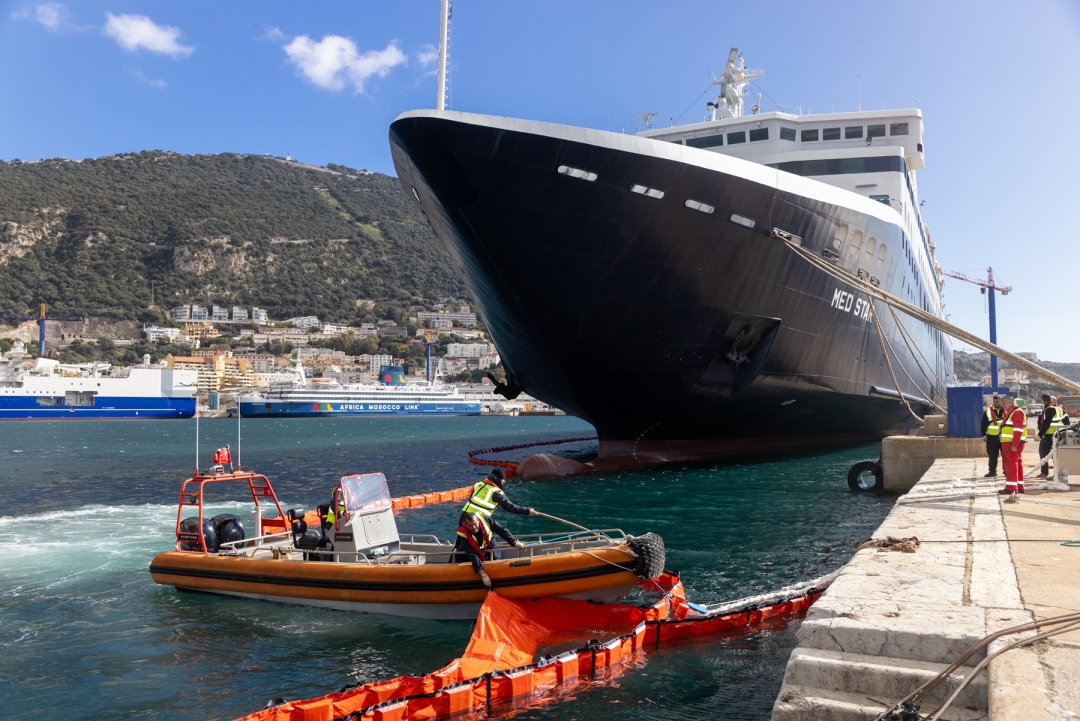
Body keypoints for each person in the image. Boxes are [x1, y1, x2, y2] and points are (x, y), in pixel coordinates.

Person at [459, 468, 537, 550]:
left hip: (464, 516)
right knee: (495, 534)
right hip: (477, 519)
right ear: (499, 480)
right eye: (503, 481)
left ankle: (458, 554)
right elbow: (510, 507)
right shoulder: (496, 492)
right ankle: (505, 550)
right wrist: (528, 511)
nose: (504, 482)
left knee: (463, 538)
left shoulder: (479, 484)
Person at [454, 511, 518, 589]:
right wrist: (483, 575)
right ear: (466, 525)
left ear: (478, 521)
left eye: (475, 524)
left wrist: (514, 542)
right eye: (470, 525)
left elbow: (501, 529)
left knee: (495, 554)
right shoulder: (464, 535)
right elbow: (472, 555)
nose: (474, 527)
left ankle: (496, 571)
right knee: (464, 558)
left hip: (488, 541)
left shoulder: (486, 520)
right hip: (470, 549)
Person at [1037, 394, 1072, 478]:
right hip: (1049, 435)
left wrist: (1039, 434)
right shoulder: (1054, 409)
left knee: (1054, 455)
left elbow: (1048, 423)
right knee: (1043, 453)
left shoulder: (1053, 409)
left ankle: (1057, 474)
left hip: (1052, 435)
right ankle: (1044, 472)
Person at [998, 395, 1027, 494]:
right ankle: (1019, 486)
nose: (1003, 405)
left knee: (1010, 464)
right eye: (1002, 403)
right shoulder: (1013, 412)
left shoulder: (1016, 412)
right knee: (1016, 463)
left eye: (1004, 403)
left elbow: (1018, 430)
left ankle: (1011, 488)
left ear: (1011, 402)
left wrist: (1014, 444)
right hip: (1011, 442)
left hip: (1012, 443)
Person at [980, 395, 1004, 478]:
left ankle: (1006, 471)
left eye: (998, 401)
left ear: (1001, 401)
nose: (996, 403)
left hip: (1003, 437)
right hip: (992, 437)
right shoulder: (988, 410)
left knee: (1005, 456)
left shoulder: (1006, 410)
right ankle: (992, 471)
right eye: (995, 402)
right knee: (992, 455)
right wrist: (983, 434)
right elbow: (983, 423)